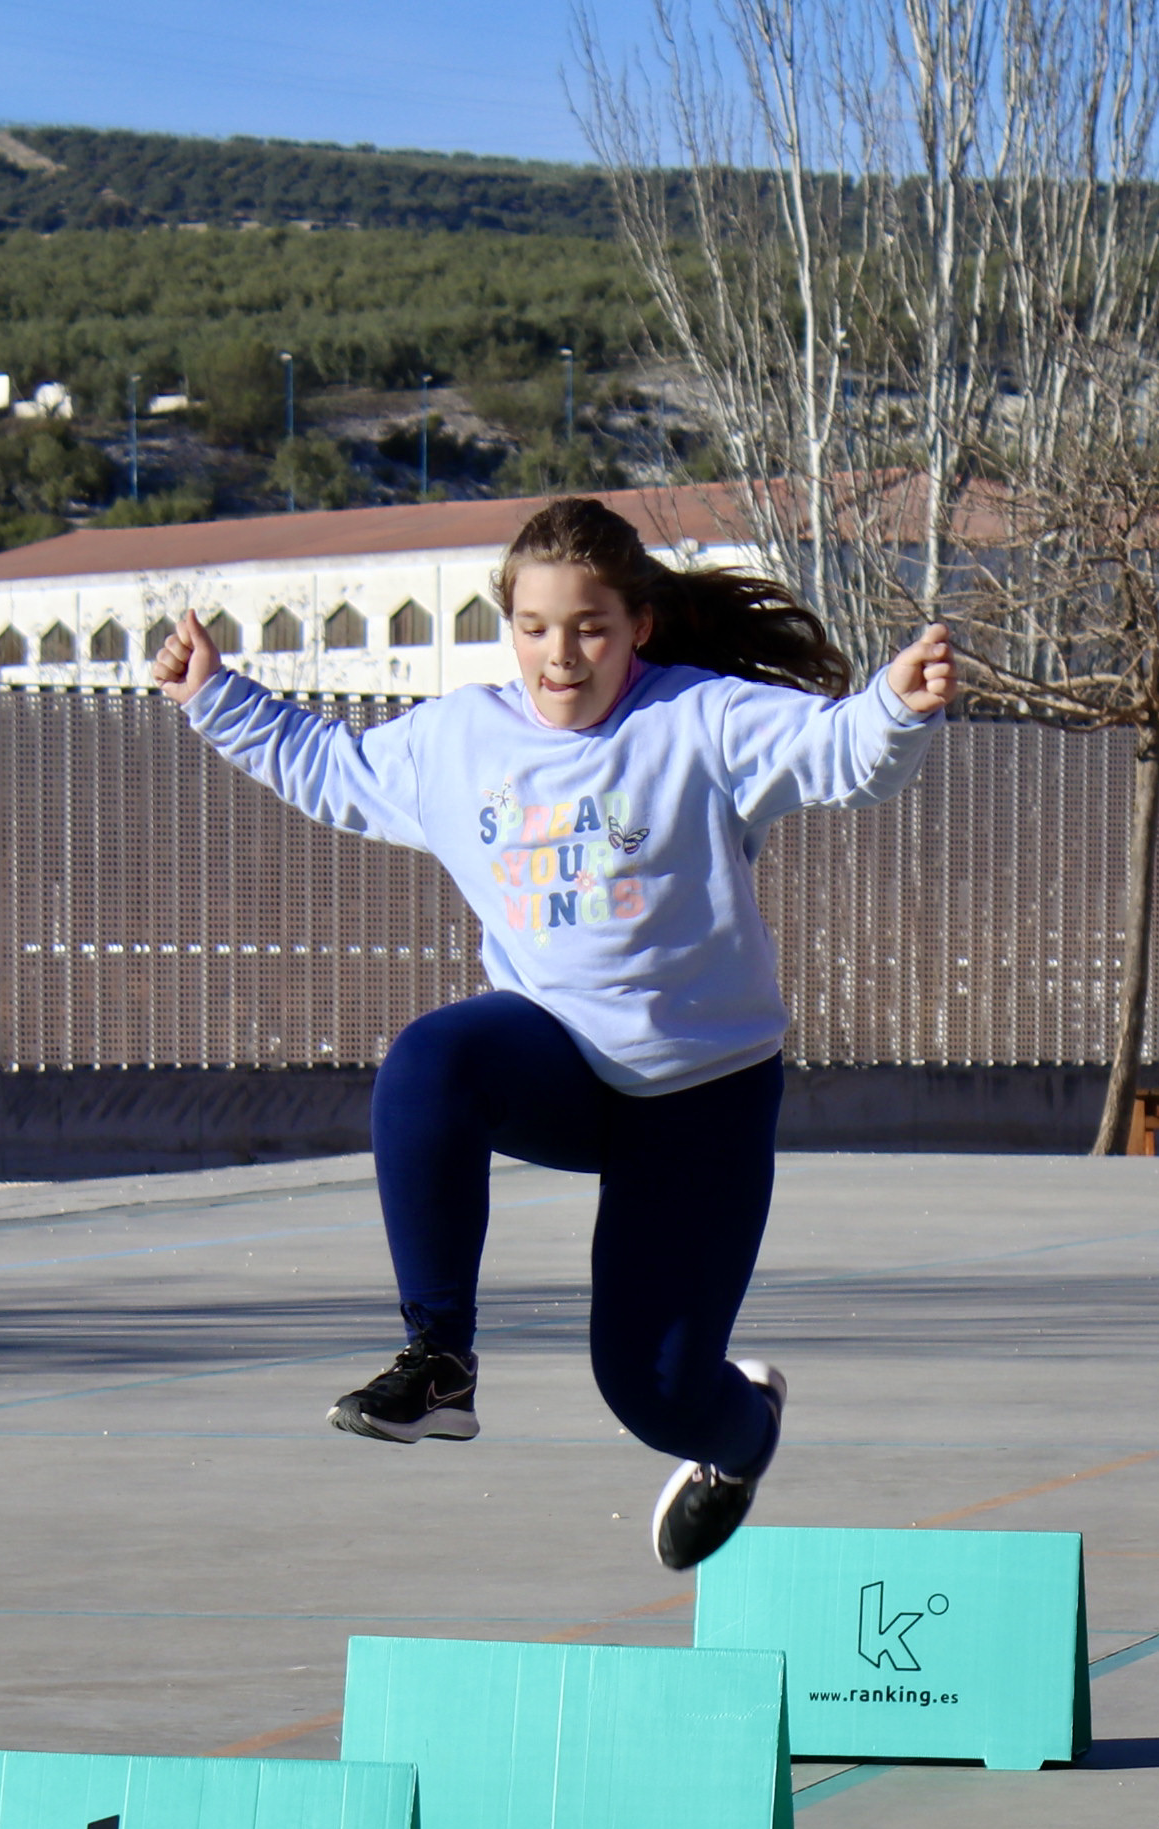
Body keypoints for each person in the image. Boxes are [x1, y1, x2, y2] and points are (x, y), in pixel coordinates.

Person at [154, 495, 956, 1569]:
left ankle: (742, 1432)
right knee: (431, 1059)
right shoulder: (461, 740)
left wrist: (895, 707)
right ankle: (439, 1361)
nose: (560, 655)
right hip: (559, 1064)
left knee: (654, 1390)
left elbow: (839, 754)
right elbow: (329, 767)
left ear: (639, 628)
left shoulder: (698, 721)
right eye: (534, 628)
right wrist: (213, 693)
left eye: (588, 628)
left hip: (700, 1098)